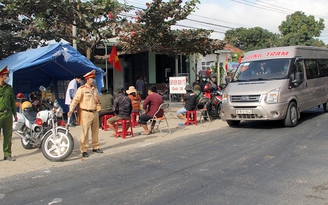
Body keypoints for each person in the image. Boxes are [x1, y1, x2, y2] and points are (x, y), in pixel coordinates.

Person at [67, 70, 103, 158]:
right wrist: (71, 109)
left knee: (95, 131)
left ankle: (95, 147)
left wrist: (98, 106)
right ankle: (84, 149)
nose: (94, 80)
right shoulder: (82, 89)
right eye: (92, 78)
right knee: (85, 132)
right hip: (86, 113)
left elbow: (98, 100)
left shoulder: (95, 89)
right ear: (87, 79)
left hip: (94, 112)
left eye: (94, 78)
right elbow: (76, 100)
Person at [0, 66, 18, 161]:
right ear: (1, 76)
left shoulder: (9, 88)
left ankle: (7, 154)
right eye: (6, 75)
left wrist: (15, 114)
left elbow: (12, 101)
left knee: (8, 135)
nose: (8, 77)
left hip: (8, 114)